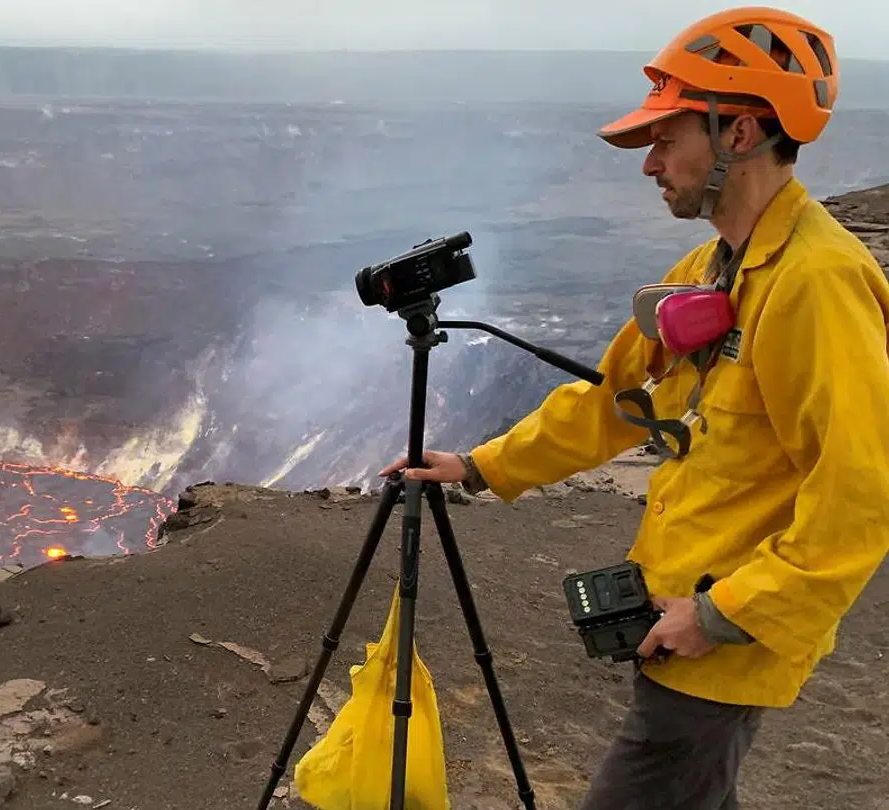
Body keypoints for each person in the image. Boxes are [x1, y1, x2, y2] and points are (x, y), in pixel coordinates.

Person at [379, 7, 889, 810]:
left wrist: (721, 615)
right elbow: (612, 401)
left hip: (721, 639)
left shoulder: (817, 284)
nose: (650, 164)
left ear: (740, 133)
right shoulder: (714, 267)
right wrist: (481, 465)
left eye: (666, 139)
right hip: (678, 609)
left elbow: (859, 491)